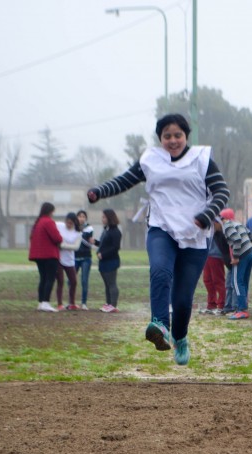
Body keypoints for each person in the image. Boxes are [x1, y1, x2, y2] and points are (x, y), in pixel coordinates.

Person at [88, 113, 230, 365]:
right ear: (160, 138)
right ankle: (160, 326)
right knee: (160, 270)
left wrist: (207, 214)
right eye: (167, 136)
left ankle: (180, 337)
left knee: (183, 300)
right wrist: (99, 191)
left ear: (186, 136)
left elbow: (222, 191)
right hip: (160, 227)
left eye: (178, 135)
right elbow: (124, 181)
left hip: (195, 234)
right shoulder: (151, 160)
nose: (173, 140)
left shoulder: (201, 159)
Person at [220, 208, 252, 320]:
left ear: (224, 218)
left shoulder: (227, 226)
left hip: (242, 254)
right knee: (244, 281)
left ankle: (241, 310)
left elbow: (236, 239)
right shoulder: (238, 223)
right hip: (251, 252)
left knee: (236, 281)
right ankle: (243, 307)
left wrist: (235, 257)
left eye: (221, 218)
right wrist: (251, 248)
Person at [28, 202, 63, 312]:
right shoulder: (49, 222)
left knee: (43, 278)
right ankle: (46, 302)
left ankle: (41, 302)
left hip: (38, 256)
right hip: (49, 255)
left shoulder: (37, 223)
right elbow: (57, 238)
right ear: (50, 211)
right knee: (50, 278)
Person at [96, 209, 122, 313]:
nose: (102, 219)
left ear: (109, 218)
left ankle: (113, 305)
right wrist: (96, 243)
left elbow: (115, 247)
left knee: (112, 283)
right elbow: (104, 244)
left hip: (111, 261)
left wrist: (103, 254)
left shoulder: (115, 231)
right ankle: (108, 303)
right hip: (103, 262)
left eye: (104, 217)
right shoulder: (106, 230)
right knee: (107, 284)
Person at [55, 212, 82, 311]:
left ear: (74, 223)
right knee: (60, 281)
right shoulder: (60, 226)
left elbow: (76, 247)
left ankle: (72, 303)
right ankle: (59, 304)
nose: (68, 224)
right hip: (58, 259)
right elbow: (50, 225)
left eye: (70, 223)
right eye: (67, 222)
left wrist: (62, 245)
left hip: (69, 260)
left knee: (73, 281)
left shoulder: (77, 233)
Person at [200, 229, 226, 314]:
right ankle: (211, 305)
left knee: (218, 280)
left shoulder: (218, 227)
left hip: (216, 255)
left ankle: (222, 305)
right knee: (207, 280)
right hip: (206, 254)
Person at [75, 210, 94, 310]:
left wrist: (80, 236)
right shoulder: (73, 227)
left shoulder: (89, 228)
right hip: (74, 257)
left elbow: (89, 243)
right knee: (71, 280)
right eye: (79, 216)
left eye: (83, 216)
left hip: (86, 258)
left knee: (84, 280)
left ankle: (84, 302)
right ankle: (71, 302)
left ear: (86, 218)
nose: (81, 218)